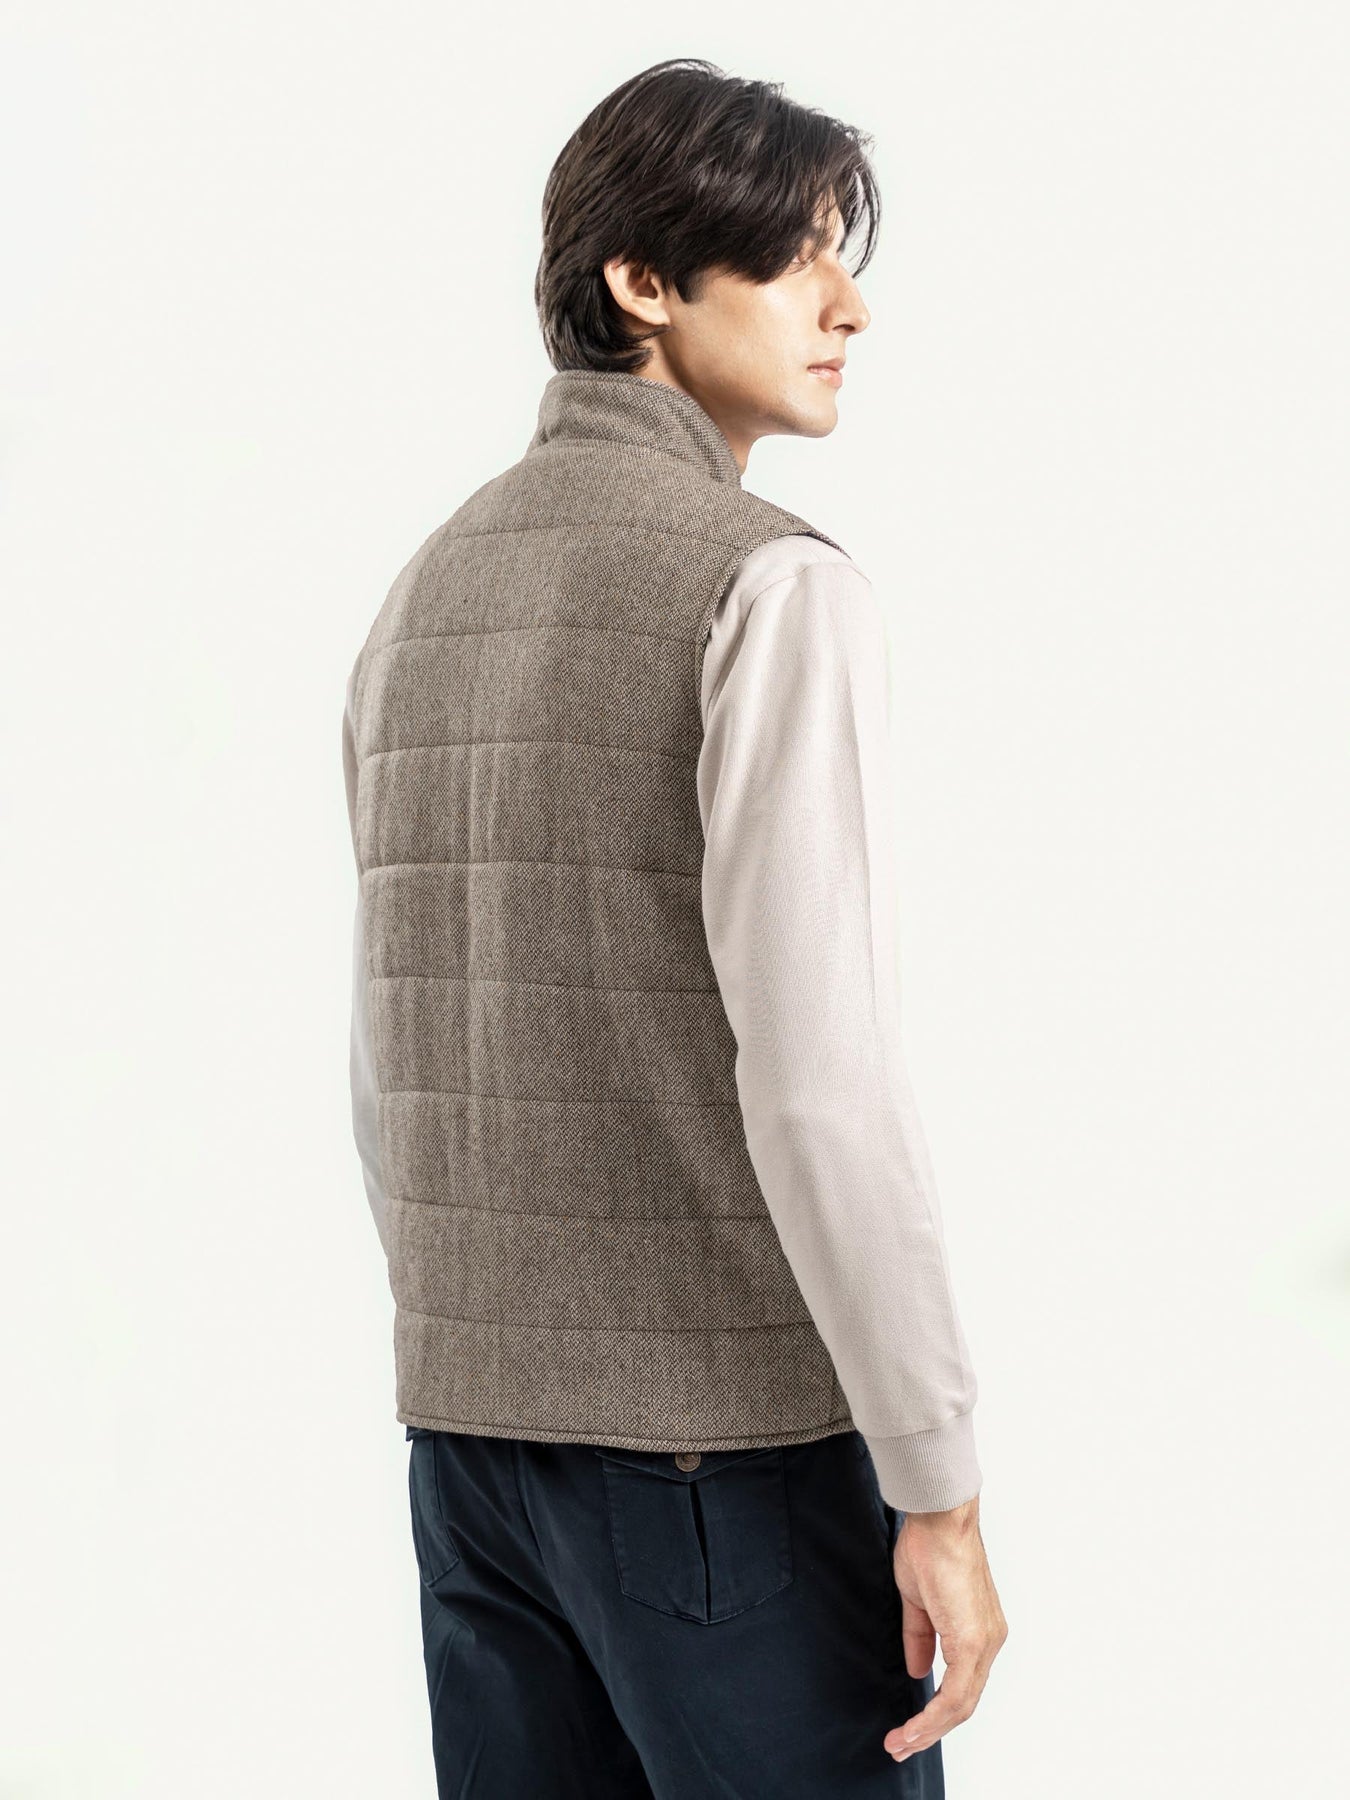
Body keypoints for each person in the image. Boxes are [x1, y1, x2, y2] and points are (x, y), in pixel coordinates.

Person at [342, 56, 1007, 1799]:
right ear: (642, 280)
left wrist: (489, 1354)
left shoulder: (423, 595)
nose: (848, 306)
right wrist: (936, 1484)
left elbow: (390, 1067)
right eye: (796, 258)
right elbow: (820, 1087)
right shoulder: (767, 582)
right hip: (725, 1469)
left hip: (471, 1459)